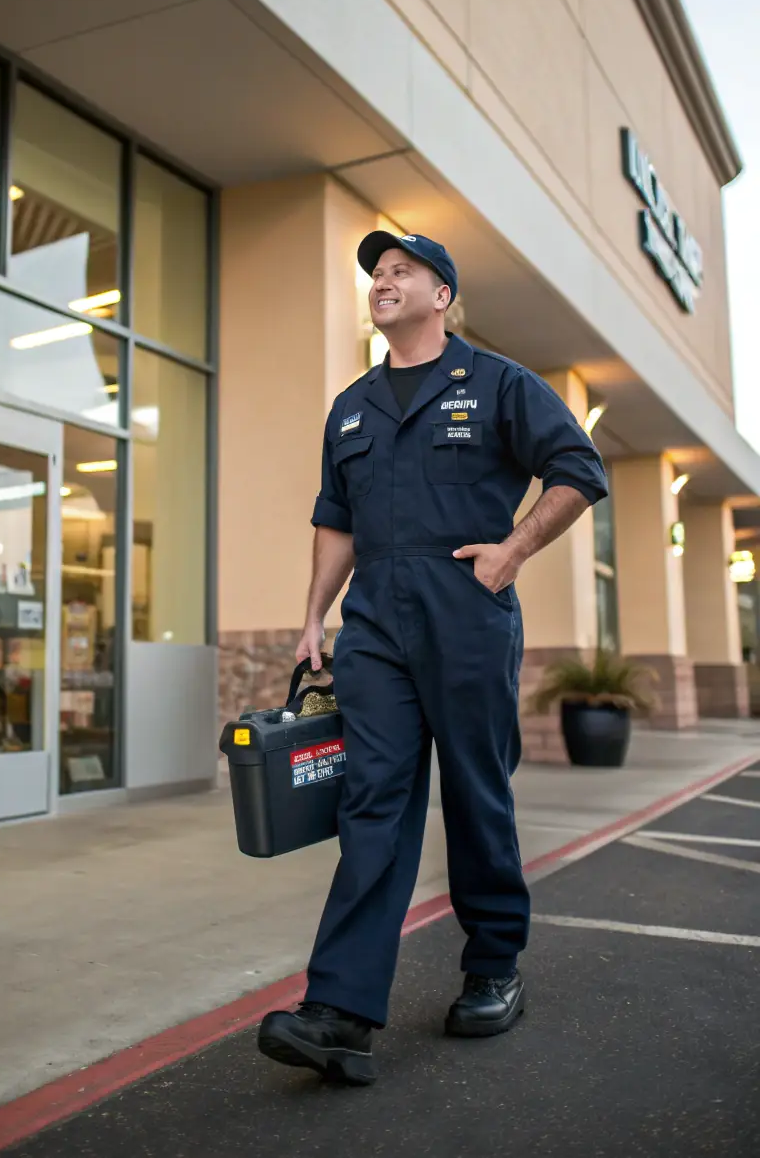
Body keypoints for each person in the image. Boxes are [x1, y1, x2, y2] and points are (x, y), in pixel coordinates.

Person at [257, 229, 608, 1085]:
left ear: (441, 294)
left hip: (466, 612)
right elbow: (334, 521)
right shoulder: (351, 406)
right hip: (374, 624)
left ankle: (493, 963)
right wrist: (313, 616)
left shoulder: (497, 383)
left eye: (401, 271)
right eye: (376, 273)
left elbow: (578, 468)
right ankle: (340, 1008)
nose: (383, 281)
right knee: (371, 802)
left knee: (476, 790)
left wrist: (511, 550)